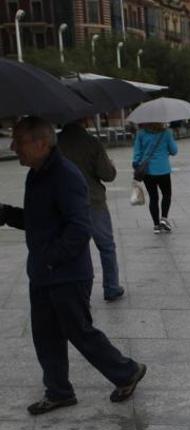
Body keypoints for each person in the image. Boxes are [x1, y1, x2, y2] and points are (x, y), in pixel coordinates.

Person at [0, 116, 146, 415]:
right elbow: (37, 221)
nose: (13, 147)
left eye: (19, 141)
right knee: (45, 335)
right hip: (43, 272)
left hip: (66, 273)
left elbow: (79, 228)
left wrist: (51, 258)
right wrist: (5, 214)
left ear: (41, 143)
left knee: (79, 331)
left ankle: (127, 371)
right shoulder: (37, 174)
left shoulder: (66, 175)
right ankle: (59, 391)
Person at [57, 119, 125, 301]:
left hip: (64, 204)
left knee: (72, 249)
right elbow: (107, 175)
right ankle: (111, 287)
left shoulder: (54, 143)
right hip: (92, 201)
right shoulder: (91, 142)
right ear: (84, 119)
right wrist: (111, 165)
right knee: (106, 247)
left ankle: (74, 291)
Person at [132, 123, 178, 234]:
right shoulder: (167, 133)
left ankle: (156, 225)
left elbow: (137, 153)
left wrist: (136, 165)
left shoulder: (141, 134)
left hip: (148, 171)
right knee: (166, 194)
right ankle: (164, 219)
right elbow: (174, 151)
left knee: (153, 197)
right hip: (163, 170)